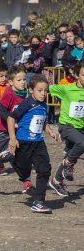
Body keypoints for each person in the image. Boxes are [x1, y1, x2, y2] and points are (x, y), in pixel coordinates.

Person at [7, 74, 58, 213]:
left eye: (45, 90)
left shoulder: (44, 105)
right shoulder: (27, 103)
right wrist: (12, 138)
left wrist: (50, 131)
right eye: (40, 90)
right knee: (24, 171)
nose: (43, 93)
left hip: (38, 143)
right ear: (31, 90)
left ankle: (39, 201)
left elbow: (42, 122)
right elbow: (11, 118)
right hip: (23, 142)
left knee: (45, 169)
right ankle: (10, 156)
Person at [48, 62, 84, 197]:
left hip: (81, 127)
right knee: (82, 144)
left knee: (70, 152)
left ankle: (56, 181)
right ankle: (68, 164)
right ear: (76, 75)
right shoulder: (66, 89)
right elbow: (45, 87)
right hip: (66, 126)